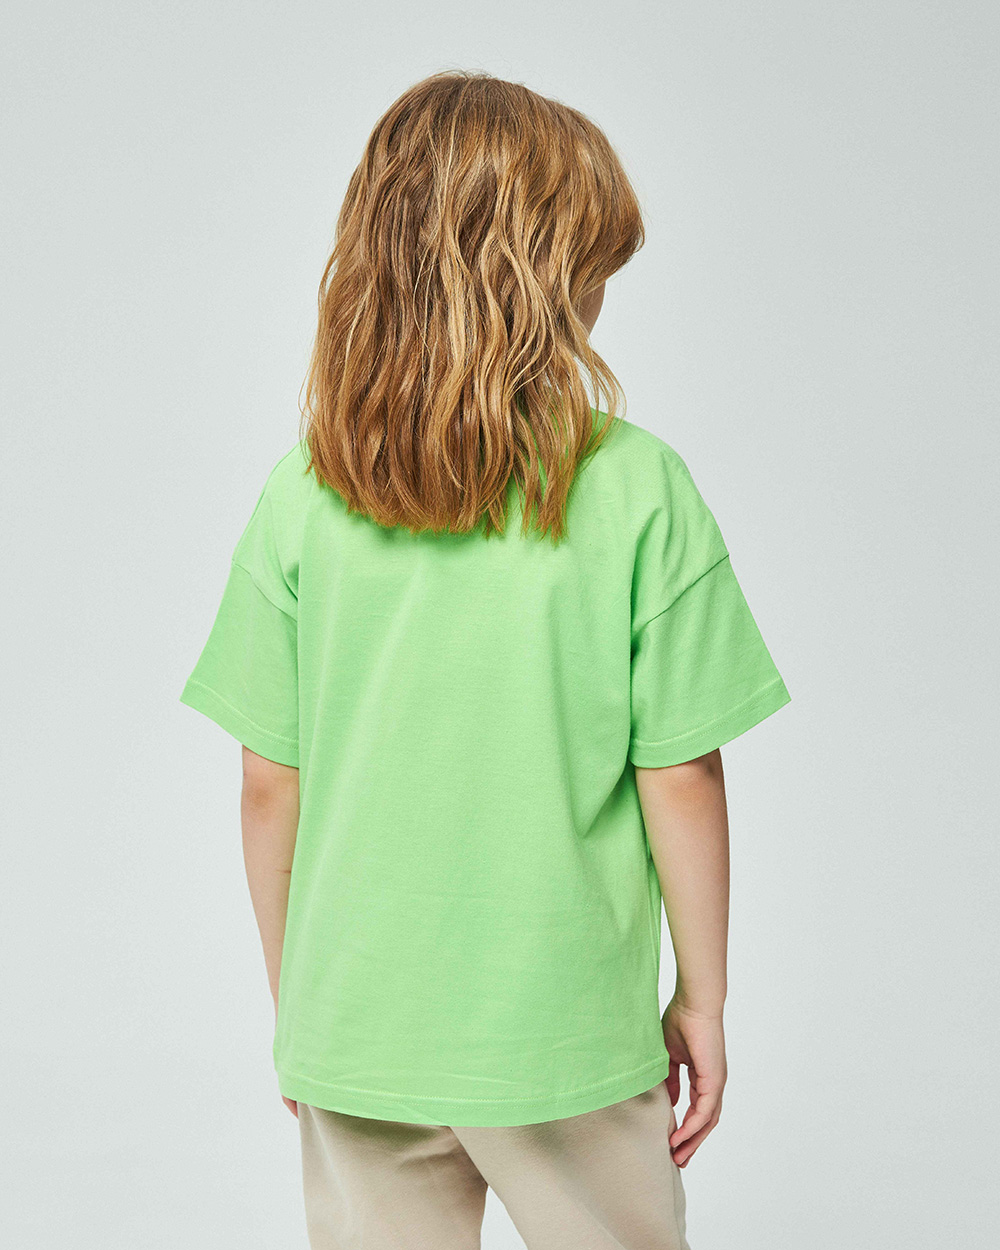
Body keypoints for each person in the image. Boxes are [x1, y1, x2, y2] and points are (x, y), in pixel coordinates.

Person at [180, 70, 791, 1250]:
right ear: (545, 281)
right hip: (566, 1034)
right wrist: (703, 997)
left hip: (360, 1025)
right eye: (593, 271)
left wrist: (305, 1004)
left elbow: (268, 780)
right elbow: (679, 772)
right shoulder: (637, 488)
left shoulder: (303, 494)